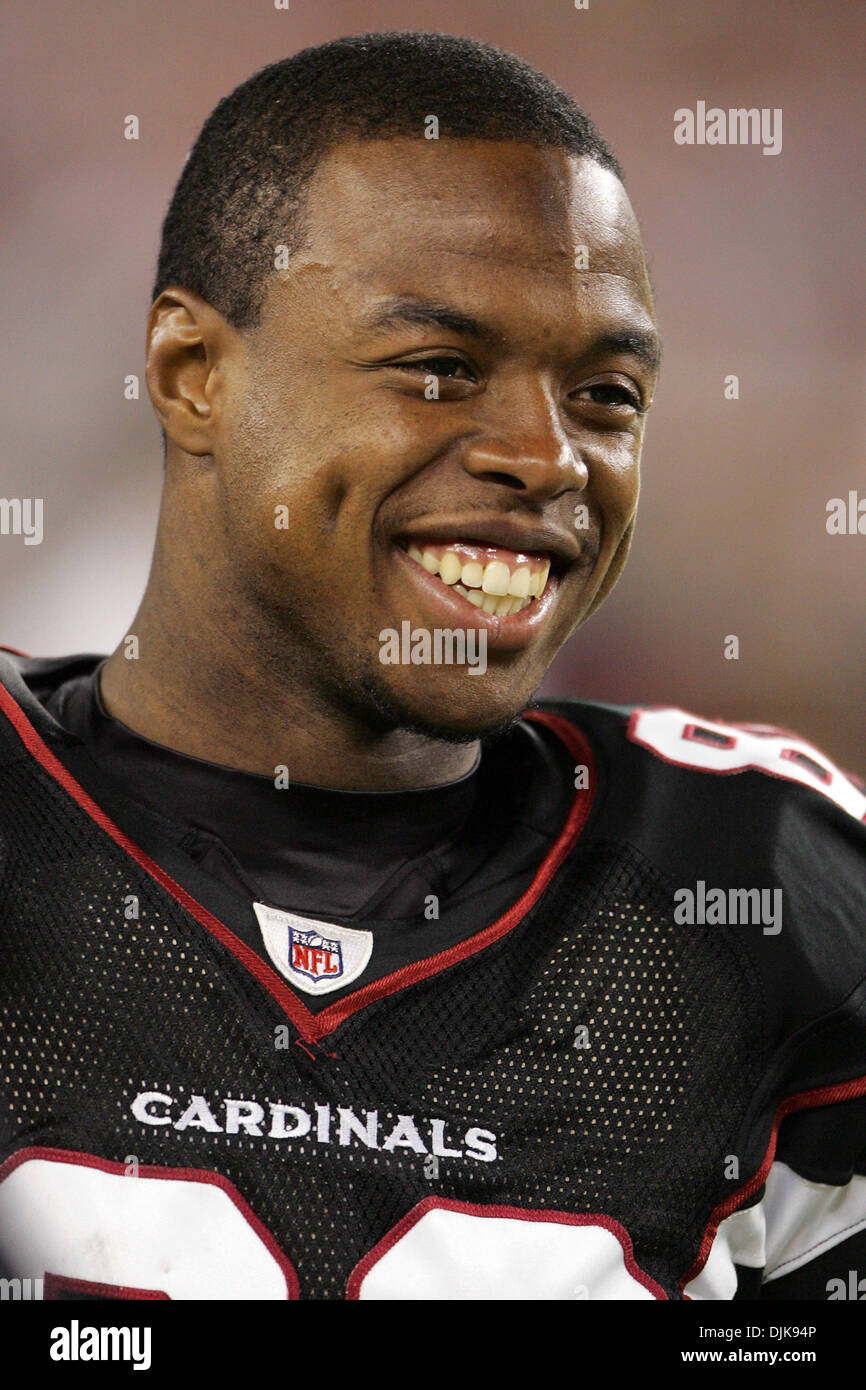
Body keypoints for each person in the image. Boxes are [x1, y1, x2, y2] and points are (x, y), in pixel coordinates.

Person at [1, 31, 863, 1302]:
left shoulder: (770, 896)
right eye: (438, 370)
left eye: (607, 394)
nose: (547, 456)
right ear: (195, 377)